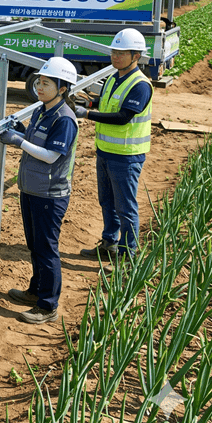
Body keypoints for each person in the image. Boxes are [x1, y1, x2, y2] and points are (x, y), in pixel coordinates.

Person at [0, 57, 79, 324]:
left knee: (46, 249)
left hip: (49, 194)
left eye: (46, 83)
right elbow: (36, 140)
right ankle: (36, 291)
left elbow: (50, 156)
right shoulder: (42, 110)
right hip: (32, 189)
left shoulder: (64, 119)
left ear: (63, 88)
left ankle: (47, 306)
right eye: (38, 82)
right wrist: (22, 130)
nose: (40, 87)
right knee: (35, 245)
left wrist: (18, 141)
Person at [75, 28, 153, 263]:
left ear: (136, 55)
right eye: (114, 51)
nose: (115, 56)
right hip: (105, 152)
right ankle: (109, 243)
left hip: (126, 156)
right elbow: (107, 101)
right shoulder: (113, 77)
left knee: (126, 208)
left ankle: (128, 256)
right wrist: (90, 101)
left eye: (121, 53)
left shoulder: (140, 85)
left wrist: (87, 113)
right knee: (107, 201)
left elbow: (123, 117)